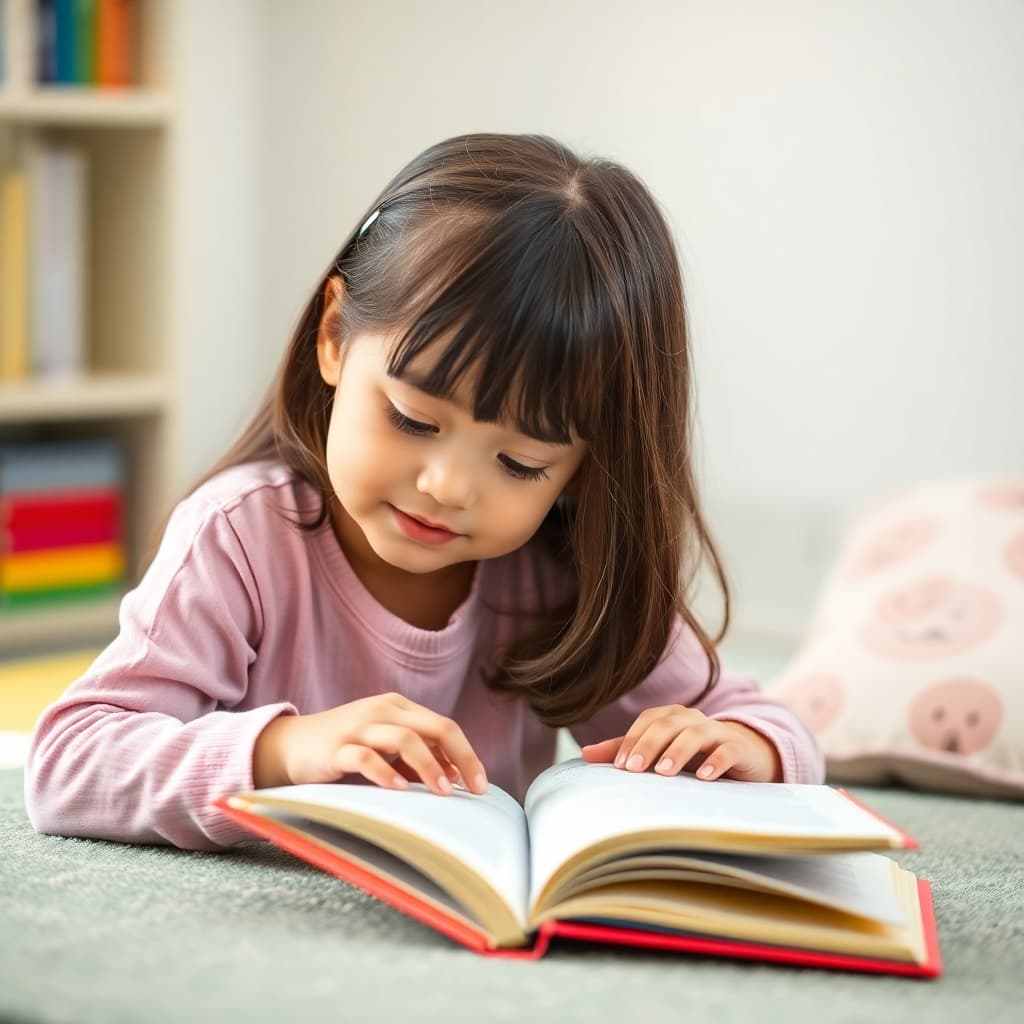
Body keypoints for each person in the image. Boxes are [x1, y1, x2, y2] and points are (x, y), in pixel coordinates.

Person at [25, 133, 823, 852]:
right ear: (334, 337)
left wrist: (741, 748)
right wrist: (287, 751)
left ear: (587, 463)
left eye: (519, 465)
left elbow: (776, 728)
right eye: (411, 418)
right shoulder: (240, 538)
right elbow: (68, 762)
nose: (446, 486)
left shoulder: (562, 572)